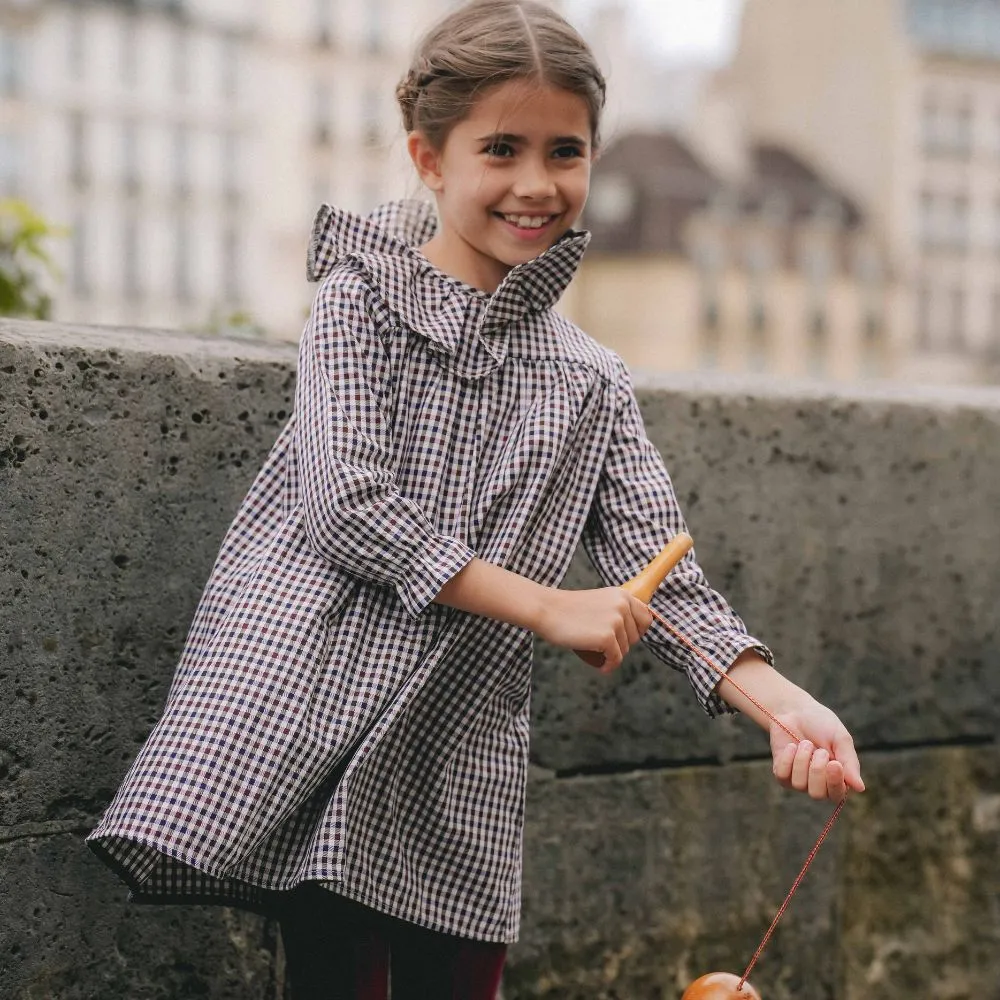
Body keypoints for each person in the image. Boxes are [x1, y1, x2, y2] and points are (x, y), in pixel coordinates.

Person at [87, 1, 865, 997]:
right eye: (500, 149)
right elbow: (348, 504)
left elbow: (662, 576)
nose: (536, 183)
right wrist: (549, 605)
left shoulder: (591, 378)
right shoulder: (358, 298)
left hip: (458, 747)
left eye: (565, 150)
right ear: (429, 158)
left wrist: (784, 704)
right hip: (327, 722)